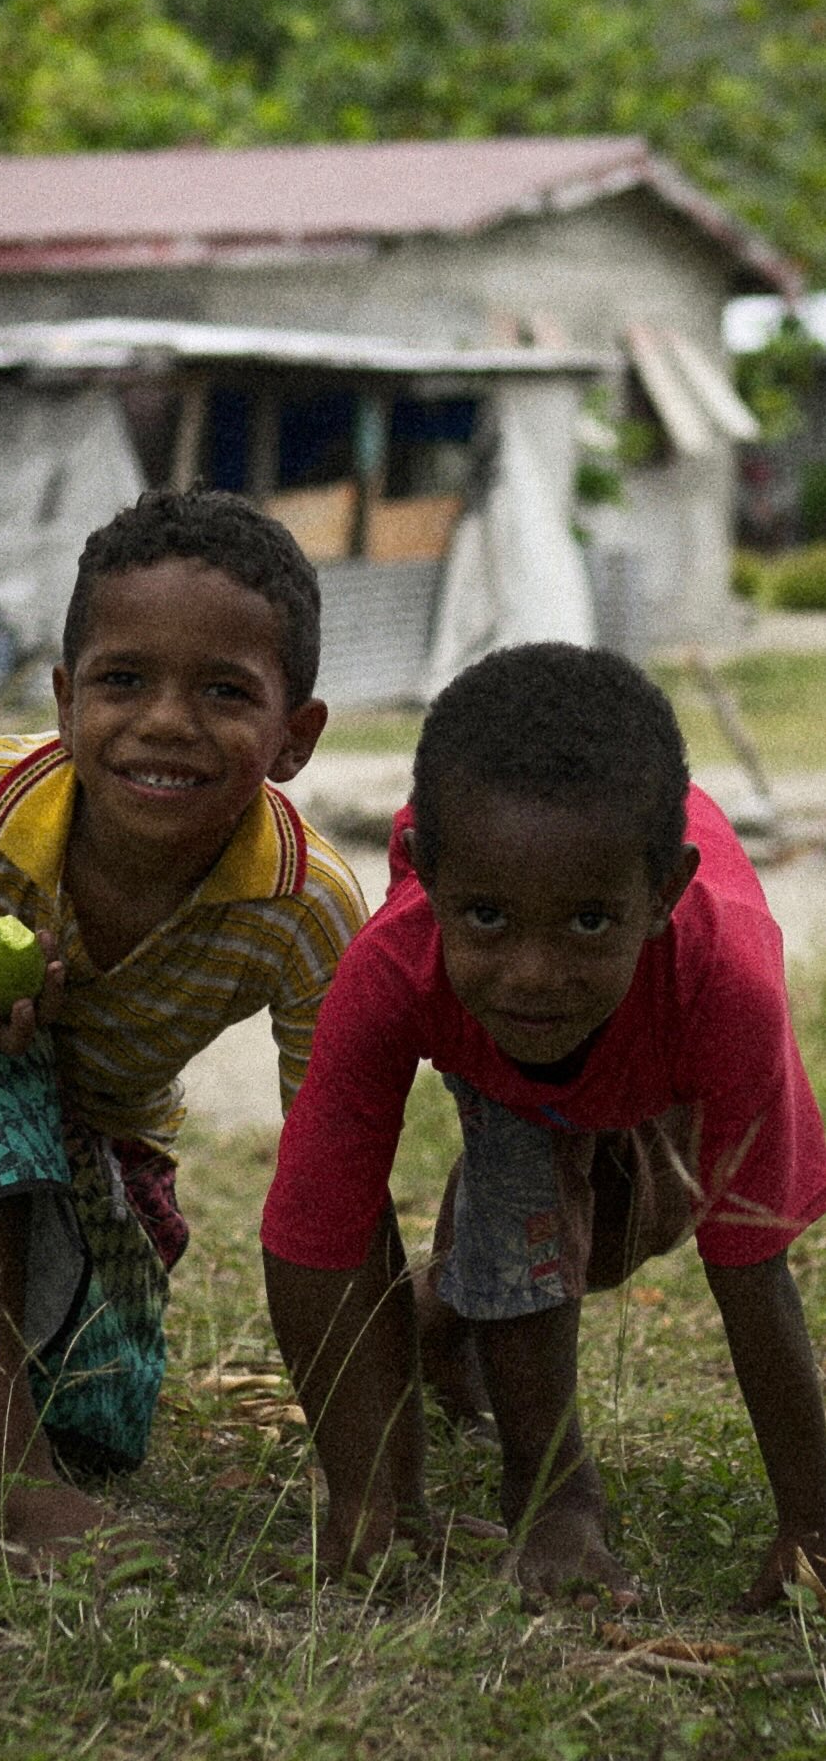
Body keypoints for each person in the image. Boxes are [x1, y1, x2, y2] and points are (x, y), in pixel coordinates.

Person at [0, 486, 367, 1571]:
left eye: (222, 690)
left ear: (293, 737)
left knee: (99, 1424)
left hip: (99, 1128)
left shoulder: (306, 906)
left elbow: (329, 1172)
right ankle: (0, 1479)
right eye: (123, 680)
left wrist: (370, 1477)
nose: (165, 721)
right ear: (67, 699)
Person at [261, 641, 826, 1612]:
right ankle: (549, 1491)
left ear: (659, 895)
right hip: (500, 1073)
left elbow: (748, 1265)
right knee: (521, 1183)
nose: (530, 972)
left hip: (653, 1055)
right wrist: (369, 1500)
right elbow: (315, 1229)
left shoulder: (721, 986)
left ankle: (447, 1318)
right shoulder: (398, 967)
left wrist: (811, 1526)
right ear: (426, 878)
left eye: (586, 925)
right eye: (485, 916)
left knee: (614, 1235)